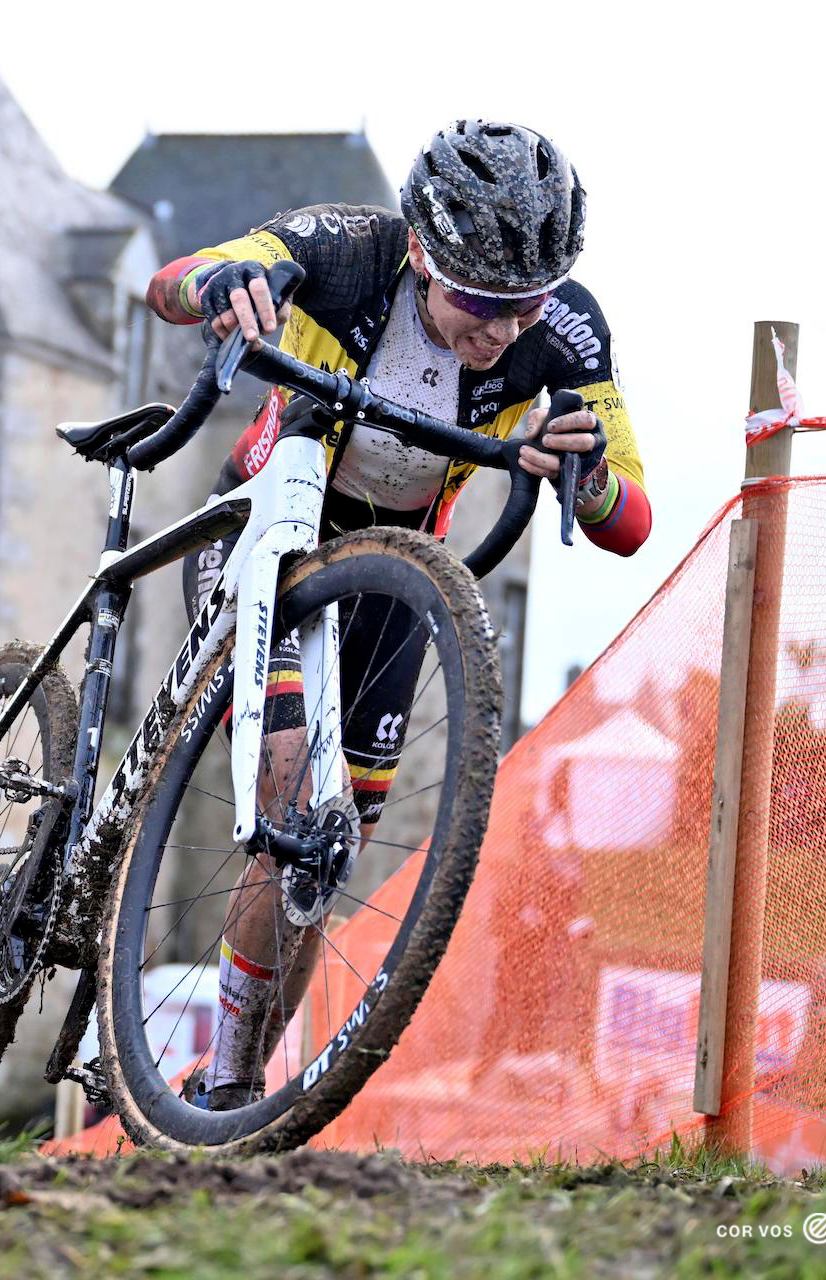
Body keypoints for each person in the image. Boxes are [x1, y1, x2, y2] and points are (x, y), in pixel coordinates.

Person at [146, 121, 651, 1110]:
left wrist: (587, 476)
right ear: (421, 252)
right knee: (290, 779)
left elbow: (629, 518)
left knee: (328, 847)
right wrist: (214, 287)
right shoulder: (344, 250)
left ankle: (230, 1082)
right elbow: (173, 277)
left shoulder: (569, 329)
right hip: (268, 537)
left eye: (523, 305)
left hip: (392, 574)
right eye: (475, 301)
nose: (501, 330)